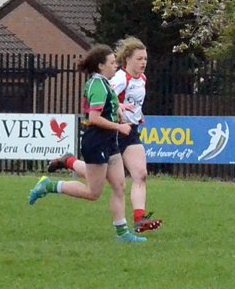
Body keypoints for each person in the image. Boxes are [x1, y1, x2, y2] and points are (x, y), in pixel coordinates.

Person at [26, 44, 145, 243]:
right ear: (100, 66)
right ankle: (49, 186)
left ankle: (123, 233)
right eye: (112, 62)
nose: (116, 65)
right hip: (96, 141)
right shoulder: (97, 85)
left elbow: (108, 105)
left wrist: (120, 109)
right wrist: (119, 127)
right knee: (93, 193)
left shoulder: (105, 83)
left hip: (109, 141)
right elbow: (94, 118)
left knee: (119, 185)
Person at [48, 37, 158, 232]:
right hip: (112, 132)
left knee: (140, 174)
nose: (143, 63)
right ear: (127, 60)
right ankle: (69, 162)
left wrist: (138, 115)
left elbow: (132, 102)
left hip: (129, 131)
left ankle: (138, 219)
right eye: (139, 59)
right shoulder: (118, 79)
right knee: (98, 182)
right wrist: (120, 109)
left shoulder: (142, 79)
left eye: (145, 59)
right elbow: (109, 100)